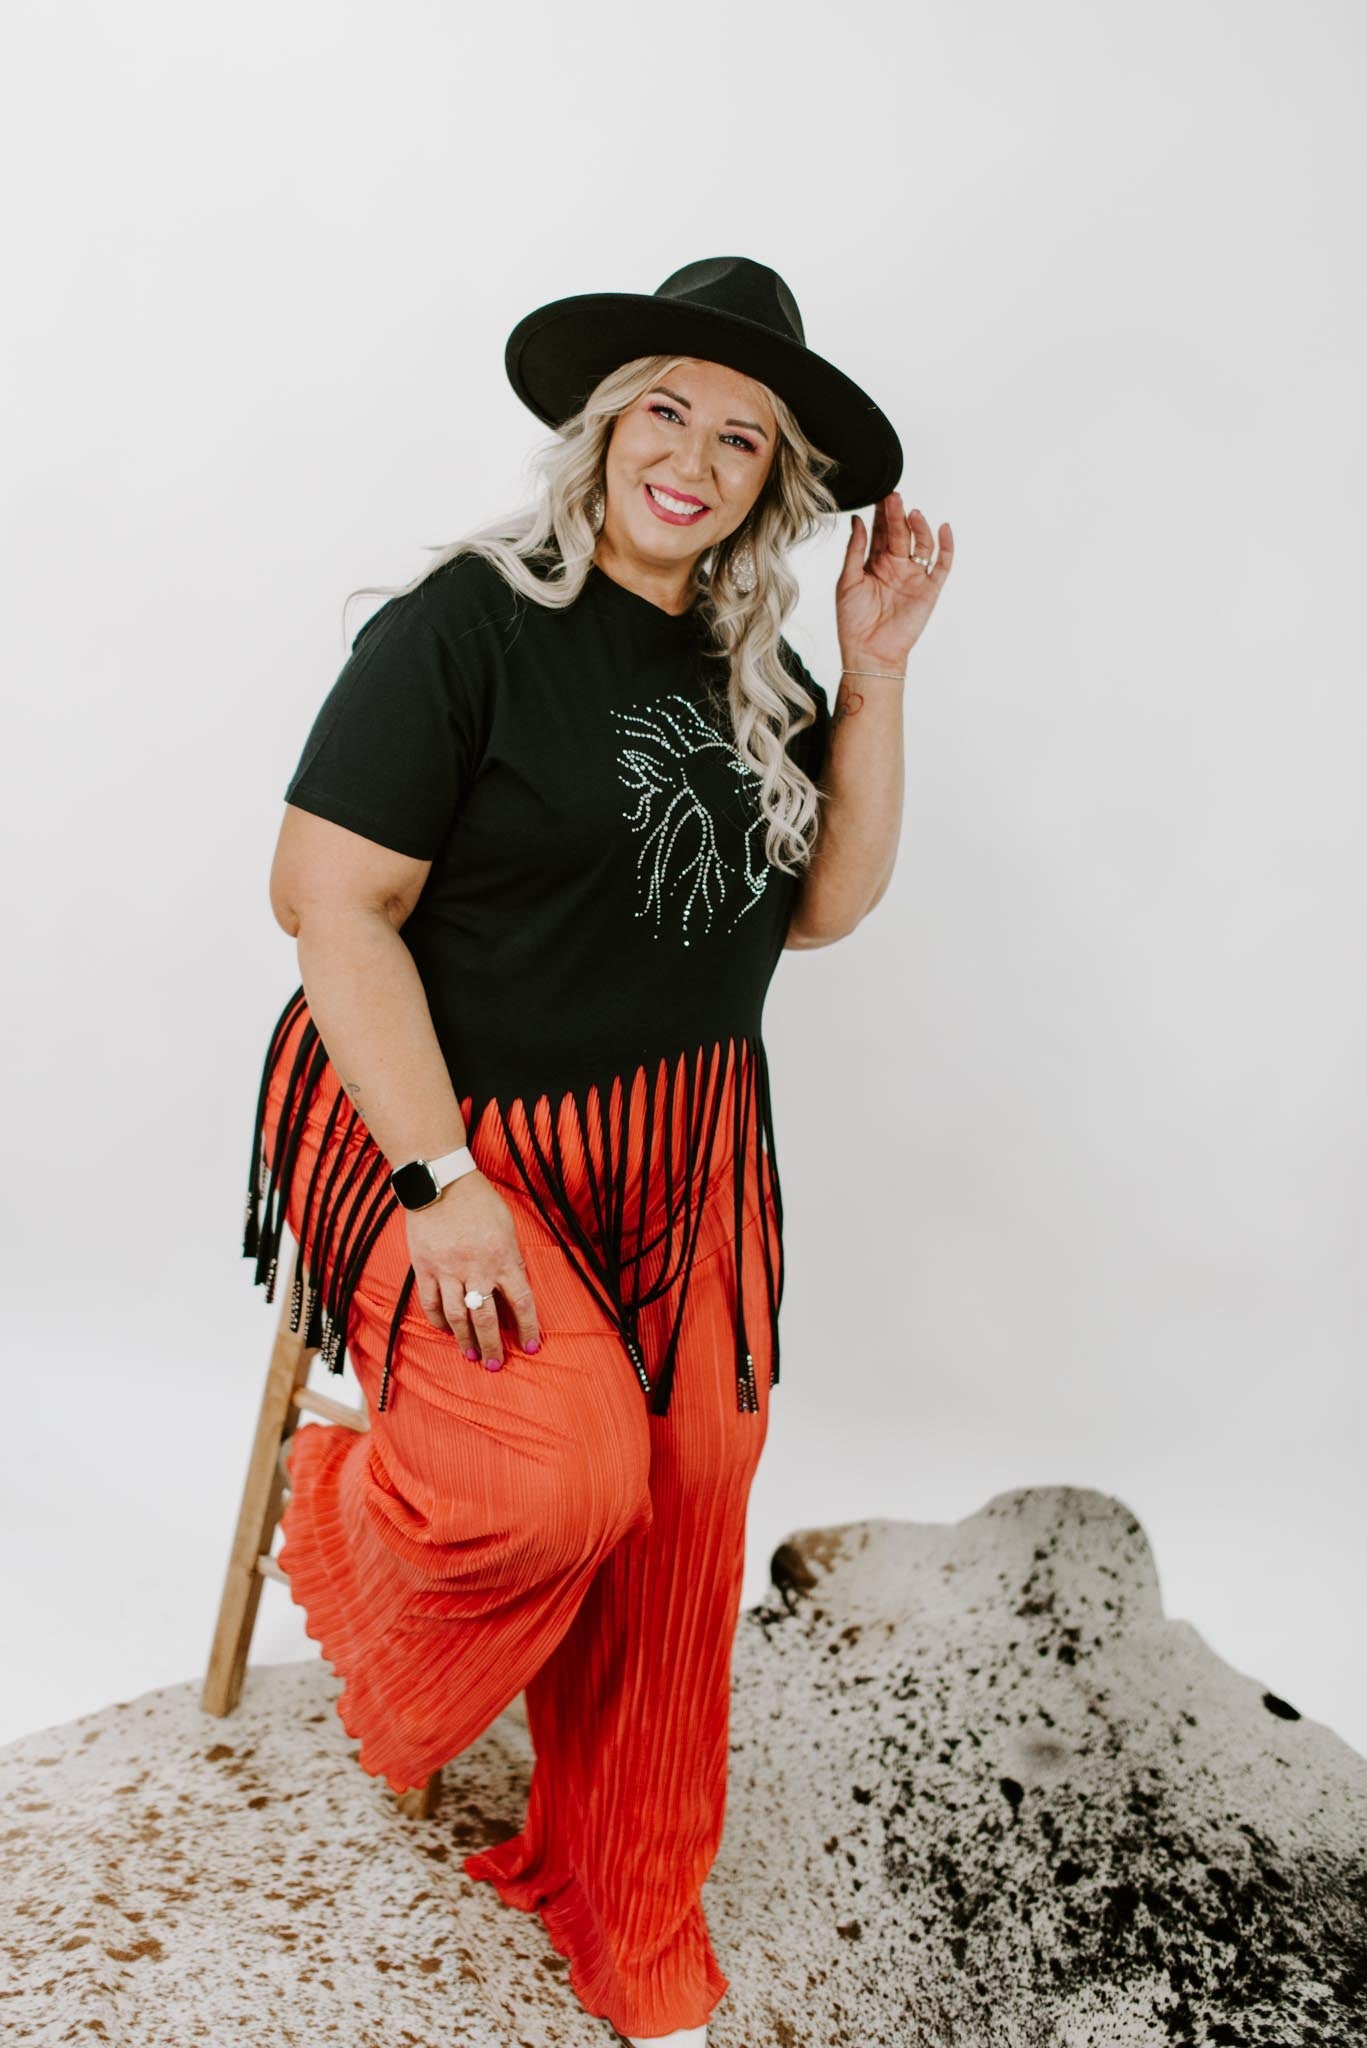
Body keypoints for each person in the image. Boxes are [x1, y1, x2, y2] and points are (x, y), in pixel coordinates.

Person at [241, 255, 952, 2047]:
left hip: (684, 1145)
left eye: (741, 438)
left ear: (773, 484)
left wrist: (872, 673)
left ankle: (632, 1904)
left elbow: (824, 909)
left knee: (691, 1491)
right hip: (434, 1127)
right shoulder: (466, 627)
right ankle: (344, 1506)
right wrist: (441, 1182)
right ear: (604, 426)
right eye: (665, 411)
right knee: (560, 1485)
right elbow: (325, 903)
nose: (692, 459)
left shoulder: (752, 664)